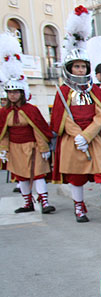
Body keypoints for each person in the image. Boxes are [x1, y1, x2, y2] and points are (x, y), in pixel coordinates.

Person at [51, 6, 101, 222]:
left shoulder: (95, 90)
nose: (80, 70)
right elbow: (61, 118)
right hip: (72, 141)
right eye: (76, 67)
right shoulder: (63, 92)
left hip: (93, 138)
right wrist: (76, 136)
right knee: (76, 177)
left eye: (83, 66)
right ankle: (79, 208)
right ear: (70, 68)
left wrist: (87, 135)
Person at [0, 32, 55, 214]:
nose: (13, 95)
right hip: (15, 148)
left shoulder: (30, 110)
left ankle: (44, 202)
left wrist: (44, 148)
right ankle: (27, 203)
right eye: (10, 93)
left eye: (16, 92)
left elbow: (40, 129)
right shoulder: (4, 112)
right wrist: (4, 150)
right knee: (21, 177)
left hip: (33, 147)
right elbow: (3, 132)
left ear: (21, 93)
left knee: (38, 175)